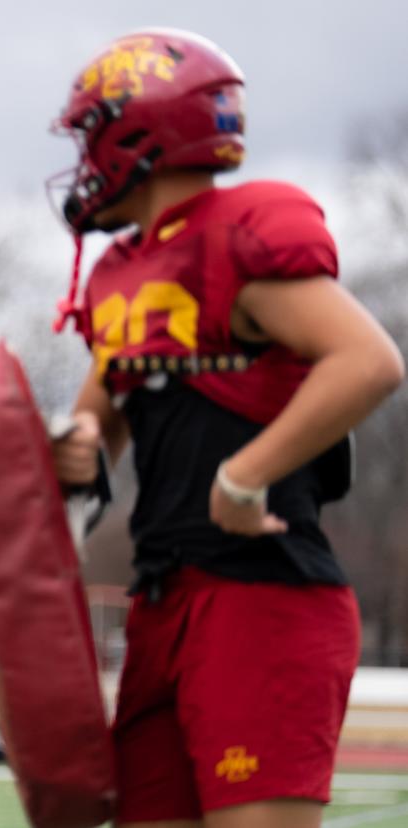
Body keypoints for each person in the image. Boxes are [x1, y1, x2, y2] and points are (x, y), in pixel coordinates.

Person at [48, 30, 404, 828]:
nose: (84, 159)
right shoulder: (123, 275)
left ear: (136, 130)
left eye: (91, 133)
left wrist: (244, 476)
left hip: (263, 597)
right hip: (162, 600)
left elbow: (369, 360)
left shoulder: (237, 234)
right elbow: (92, 437)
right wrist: (53, 451)